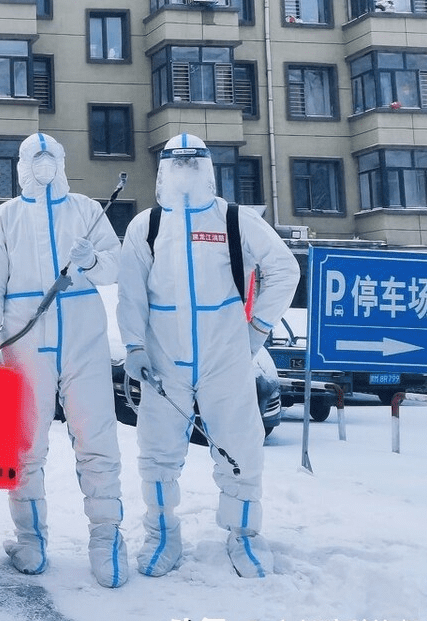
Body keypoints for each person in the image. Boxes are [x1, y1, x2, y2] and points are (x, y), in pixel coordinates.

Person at [118, 132, 298, 579]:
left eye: (193, 163)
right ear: (161, 170)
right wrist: (135, 347)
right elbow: (130, 292)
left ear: (208, 169)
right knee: (157, 453)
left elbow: (284, 269)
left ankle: (244, 536)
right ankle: (161, 534)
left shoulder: (234, 220)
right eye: (175, 163)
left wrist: (257, 328)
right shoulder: (147, 225)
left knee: (240, 447)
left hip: (225, 358)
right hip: (164, 362)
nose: (184, 171)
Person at [0, 132, 128, 587]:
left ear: (61, 161)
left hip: (83, 334)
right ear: (22, 164)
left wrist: (90, 261)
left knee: (96, 436)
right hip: (24, 339)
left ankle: (106, 537)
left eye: (50, 157)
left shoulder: (84, 209)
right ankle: (30, 539)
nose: (43, 164)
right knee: (24, 443)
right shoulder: (5, 218)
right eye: (34, 157)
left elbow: (117, 265)